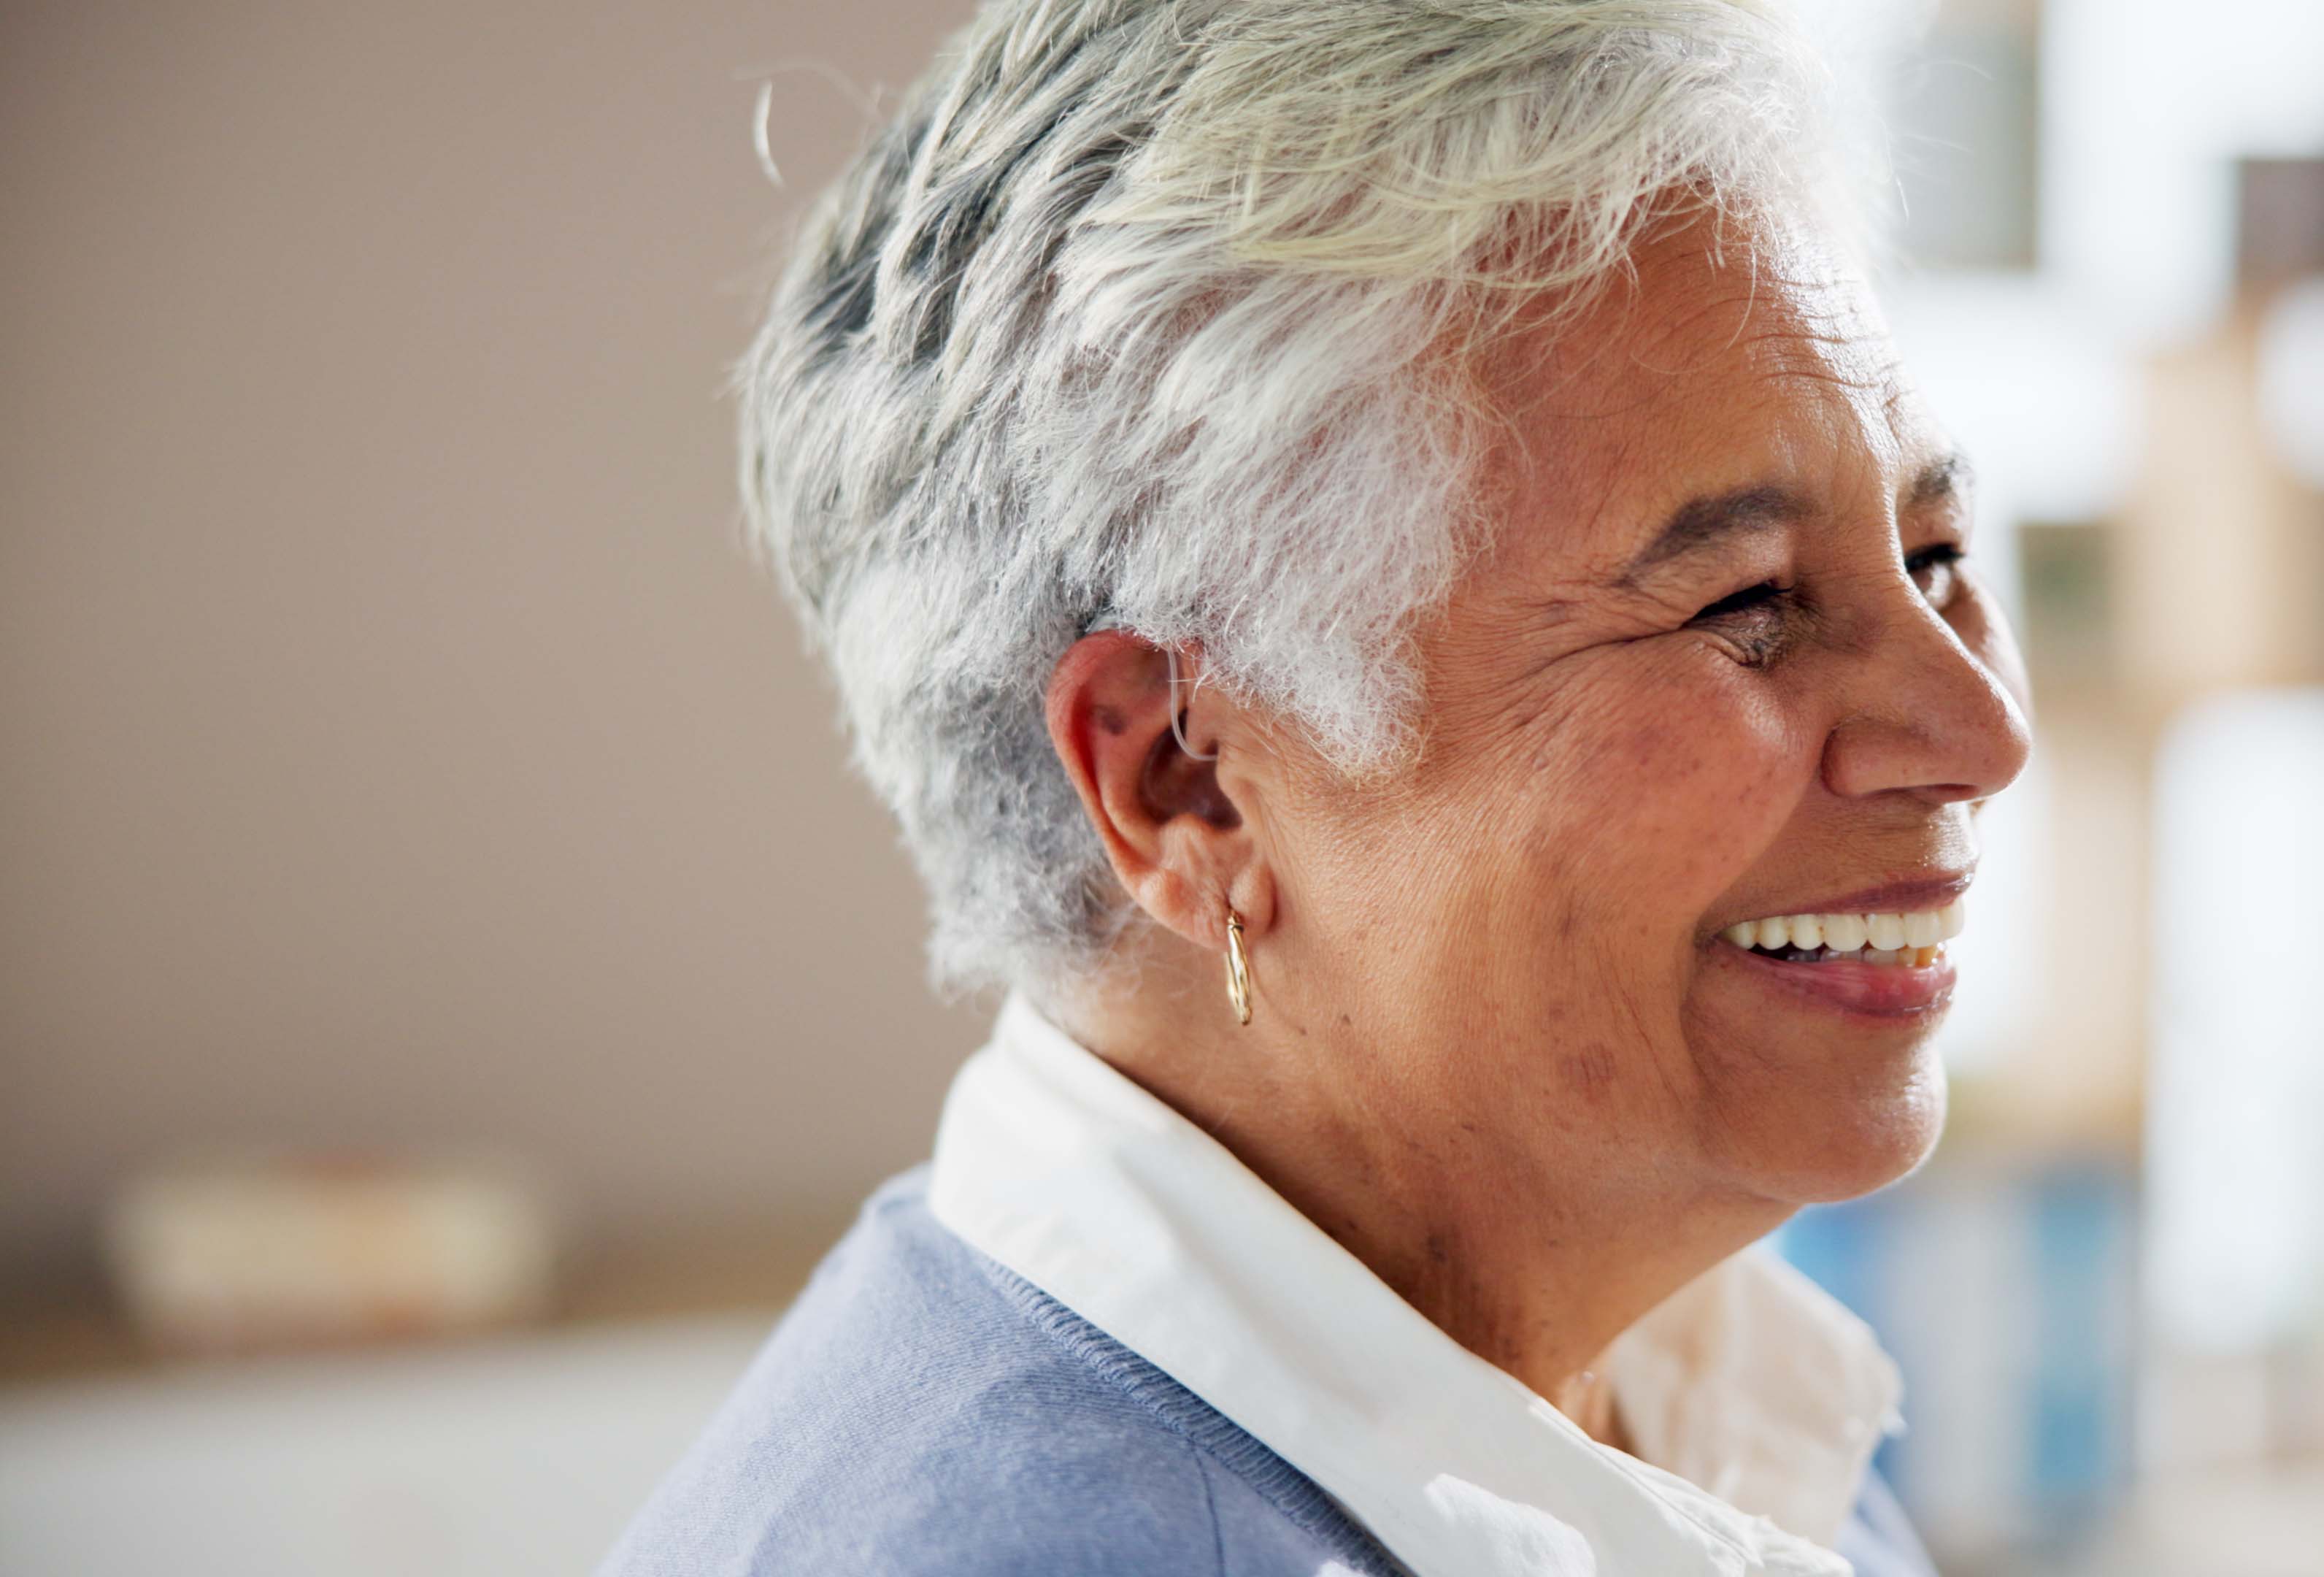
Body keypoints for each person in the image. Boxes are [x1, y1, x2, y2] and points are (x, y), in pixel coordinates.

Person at [606, 1, 2031, 1571]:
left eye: (1934, 557)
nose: (1976, 731)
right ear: (1183, 785)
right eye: (1742, 603)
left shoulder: (1695, 1407)